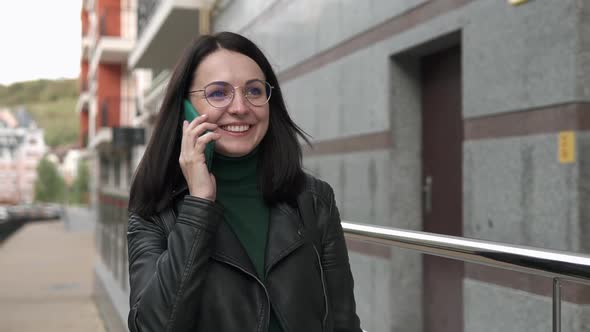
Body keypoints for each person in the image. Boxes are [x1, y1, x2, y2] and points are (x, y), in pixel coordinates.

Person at [127, 31, 362, 332]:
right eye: (218, 93)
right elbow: (151, 327)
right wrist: (198, 205)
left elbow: (343, 321)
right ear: (185, 108)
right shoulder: (155, 209)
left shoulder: (313, 199)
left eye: (253, 91)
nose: (240, 107)